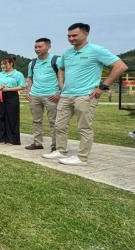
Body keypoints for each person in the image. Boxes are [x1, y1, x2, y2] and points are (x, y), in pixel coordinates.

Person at [43, 23, 127, 164]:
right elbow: (61, 69)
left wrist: (102, 87)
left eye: (74, 35)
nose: (71, 38)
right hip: (66, 95)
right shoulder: (67, 53)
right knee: (59, 125)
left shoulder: (96, 50)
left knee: (84, 127)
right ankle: (60, 150)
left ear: (85, 34)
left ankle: (82, 157)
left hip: (86, 95)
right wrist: (61, 84)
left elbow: (120, 66)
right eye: (69, 36)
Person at [24, 38, 61, 151]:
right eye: (35, 47)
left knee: (54, 122)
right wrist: (28, 91)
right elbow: (30, 78)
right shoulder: (32, 63)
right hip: (35, 95)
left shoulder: (57, 60)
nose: (37, 49)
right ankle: (37, 143)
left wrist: (59, 93)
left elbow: (64, 77)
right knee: (36, 121)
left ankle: (55, 146)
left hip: (51, 96)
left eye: (40, 46)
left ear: (48, 47)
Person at [0, 56, 26, 145]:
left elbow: (22, 86)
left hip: (12, 95)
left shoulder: (18, 74)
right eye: (2, 64)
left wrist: (9, 89)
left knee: (12, 117)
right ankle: (0, 138)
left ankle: (12, 139)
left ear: (11, 64)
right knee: (0, 116)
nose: (3, 66)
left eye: (5, 64)